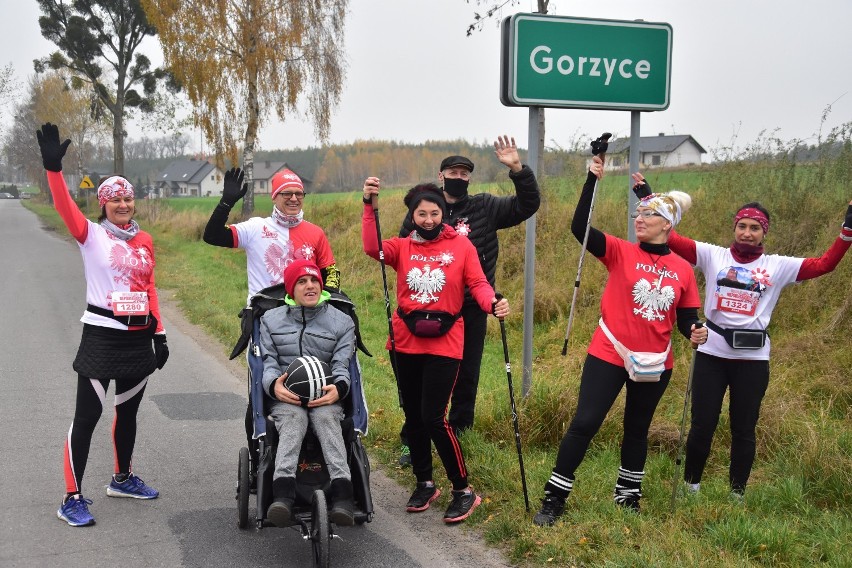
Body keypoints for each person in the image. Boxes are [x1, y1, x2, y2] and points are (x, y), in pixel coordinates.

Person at [631, 176, 852, 497]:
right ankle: (691, 487)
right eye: (742, 226)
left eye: (755, 228)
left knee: (743, 429)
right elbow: (671, 237)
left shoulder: (777, 266)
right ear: (734, 229)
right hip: (711, 353)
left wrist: (847, 233)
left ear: (764, 233)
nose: (747, 232)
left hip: (752, 358)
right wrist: (650, 199)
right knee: (702, 425)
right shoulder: (713, 256)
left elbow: (824, 265)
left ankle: (737, 494)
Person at [533, 155, 707, 527]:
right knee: (586, 422)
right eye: (638, 214)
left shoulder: (683, 270)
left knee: (637, 429)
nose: (638, 219)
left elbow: (687, 318)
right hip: (610, 352)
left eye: (648, 215)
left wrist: (695, 331)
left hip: (656, 361)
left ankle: (627, 496)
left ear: (667, 225)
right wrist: (591, 181)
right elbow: (579, 227)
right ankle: (554, 497)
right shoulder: (620, 251)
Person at [36, 123, 169, 527]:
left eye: (128, 198)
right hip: (101, 336)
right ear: (104, 204)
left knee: (127, 415)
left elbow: (148, 286)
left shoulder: (143, 240)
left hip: (138, 336)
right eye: (115, 199)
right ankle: (71, 497)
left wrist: (159, 332)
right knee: (87, 418)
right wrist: (53, 170)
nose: (124, 204)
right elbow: (63, 208)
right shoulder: (90, 234)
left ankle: (123, 478)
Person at [362, 179, 510, 523]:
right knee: (413, 416)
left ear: (443, 214)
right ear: (413, 216)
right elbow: (372, 247)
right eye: (421, 213)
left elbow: (478, 284)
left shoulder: (462, 245)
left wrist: (493, 304)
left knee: (433, 417)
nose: (428, 219)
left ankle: (463, 490)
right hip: (405, 341)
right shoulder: (401, 247)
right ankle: (425, 482)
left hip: (445, 342)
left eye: (434, 212)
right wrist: (369, 205)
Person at [396, 135, 540, 466]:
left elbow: (526, 205)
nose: (458, 178)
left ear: (469, 179)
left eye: (464, 174)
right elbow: (401, 250)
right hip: (428, 308)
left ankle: (458, 435)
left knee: (466, 375)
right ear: (441, 174)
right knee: (418, 377)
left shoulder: (485, 207)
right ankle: (413, 438)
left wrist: (518, 169)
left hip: (473, 307)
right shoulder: (426, 208)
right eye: (453, 173)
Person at [203, 167, 341, 483]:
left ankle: (315, 458)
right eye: (286, 193)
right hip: (265, 322)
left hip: (309, 320)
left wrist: (328, 297)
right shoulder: (256, 228)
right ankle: (258, 461)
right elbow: (212, 236)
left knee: (313, 382)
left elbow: (330, 271)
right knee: (262, 395)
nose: (293, 199)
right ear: (274, 197)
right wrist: (226, 203)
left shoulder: (315, 233)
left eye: (298, 194)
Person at [258, 260, 356, 527]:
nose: (310, 286)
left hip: (326, 395)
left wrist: (340, 388)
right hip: (286, 396)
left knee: (326, 419)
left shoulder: (342, 322)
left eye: (314, 280)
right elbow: (268, 362)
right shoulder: (270, 320)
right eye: (302, 281)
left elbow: (342, 363)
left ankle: (343, 497)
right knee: (294, 420)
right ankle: (283, 497)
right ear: (291, 289)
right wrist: (274, 386)